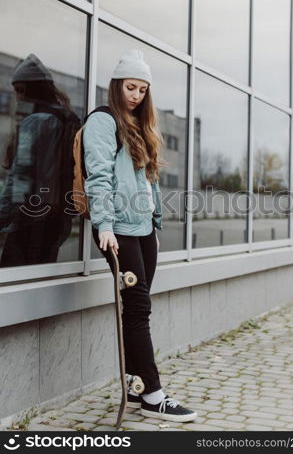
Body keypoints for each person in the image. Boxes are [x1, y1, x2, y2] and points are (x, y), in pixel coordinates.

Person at [83, 49, 197, 422]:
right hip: (117, 230)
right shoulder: (103, 121)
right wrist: (104, 225)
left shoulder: (139, 124)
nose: (136, 95)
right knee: (137, 309)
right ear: (117, 86)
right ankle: (152, 394)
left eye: (143, 89)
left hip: (143, 229)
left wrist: (155, 223)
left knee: (138, 306)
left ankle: (135, 386)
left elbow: (149, 180)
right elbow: (98, 175)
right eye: (131, 87)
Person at [0, 53, 80, 267]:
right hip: (58, 219)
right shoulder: (65, 119)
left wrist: (3, 214)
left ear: (33, 90)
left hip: (31, 220)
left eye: (20, 90)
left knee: (13, 287)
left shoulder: (35, 121)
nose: (17, 97)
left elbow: (21, 176)